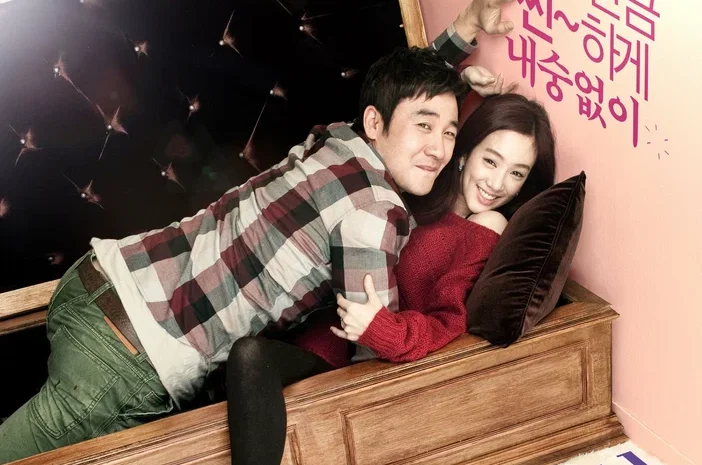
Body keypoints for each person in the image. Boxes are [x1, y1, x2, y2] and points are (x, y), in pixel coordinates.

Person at [0, 21, 474, 465]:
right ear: (375, 123)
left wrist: (464, 30)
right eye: (425, 126)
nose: (439, 148)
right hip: (127, 355)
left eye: (450, 132)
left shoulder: (335, 143)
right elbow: (375, 355)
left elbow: (395, 96)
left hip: (96, 282)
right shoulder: (373, 208)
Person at [225, 91, 556, 465]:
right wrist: (461, 79)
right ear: (464, 153)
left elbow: (449, 321)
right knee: (237, 354)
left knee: (250, 354)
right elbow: (384, 127)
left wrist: (380, 329)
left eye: (516, 173)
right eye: (491, 161)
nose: (497, 183)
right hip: (313, 331)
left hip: (358, 362)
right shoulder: (418, 188)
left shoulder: (487, 226)